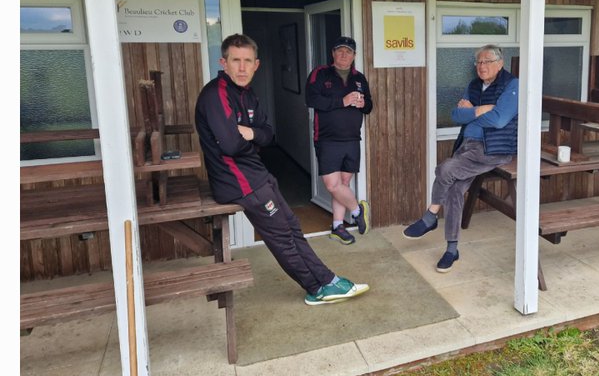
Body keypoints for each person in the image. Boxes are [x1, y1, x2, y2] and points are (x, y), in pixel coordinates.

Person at [195, 34, 368, 305]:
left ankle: (329, 279)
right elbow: (229, 144)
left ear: (256, 64)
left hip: (258, 175)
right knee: (282, 238)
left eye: (247, 61)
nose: (242, 68)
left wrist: (249, 133)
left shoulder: (246, 92)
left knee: (292, 227)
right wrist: (252, 136)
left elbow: (269, 135)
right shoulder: (215, 94)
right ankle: (316, 288)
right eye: (235, 60)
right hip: (238, 182)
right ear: (223, 62)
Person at [402, 44, 518, 272]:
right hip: (467, 146)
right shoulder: (474, 85)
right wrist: (481, 109)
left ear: (500, 63)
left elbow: (499, 120)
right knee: (455, 190)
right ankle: (451, 249)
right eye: (479, 62)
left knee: (445, 170)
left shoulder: (512, 85)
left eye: (487, 61)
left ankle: (430, 216)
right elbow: (455, 115)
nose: (482, 66)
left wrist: (471, 112)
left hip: (493, 149)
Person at [305, 38, 373, 244]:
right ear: (333, 54)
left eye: (348, 52)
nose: (344, 55)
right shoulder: (320, 74)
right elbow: (311, 99)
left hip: (352, 139)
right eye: (340, 51)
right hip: (327, 139)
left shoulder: (359, 78)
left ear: (354, 56)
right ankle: (357, 210)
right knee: (332, 185)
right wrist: (342, 101)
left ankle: (337, 226)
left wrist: (361, 103)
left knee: (343, 183)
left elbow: (369, 106)